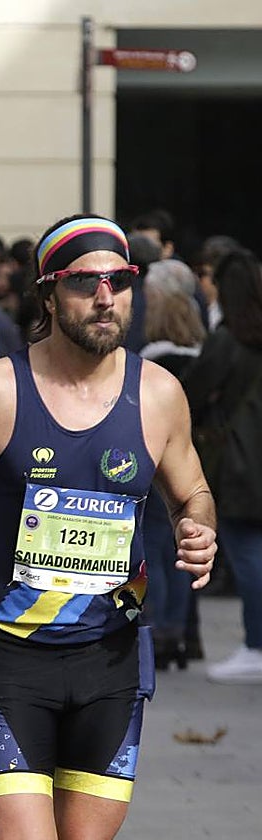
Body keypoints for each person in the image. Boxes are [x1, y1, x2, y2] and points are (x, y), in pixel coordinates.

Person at [0, 214, 216, 840]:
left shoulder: (158, 394)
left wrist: (197, 528)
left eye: (119, 281)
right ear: (48, 293)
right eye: (83, 282)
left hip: (112, 661)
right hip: (11, 657)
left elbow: (192, 492)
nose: (105, 297)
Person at [184, 249, 262, 684]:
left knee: (247, 552)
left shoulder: (229, 339)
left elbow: (193, 391)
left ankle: (257, 644)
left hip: (239, 461)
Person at [138, 276, 205, 669]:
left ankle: (158, 628)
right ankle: (177, 630)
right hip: (193, 459)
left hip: (154, 462)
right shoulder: (201, 358)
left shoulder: (151, 363)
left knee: (157, 551)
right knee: (184, 550)